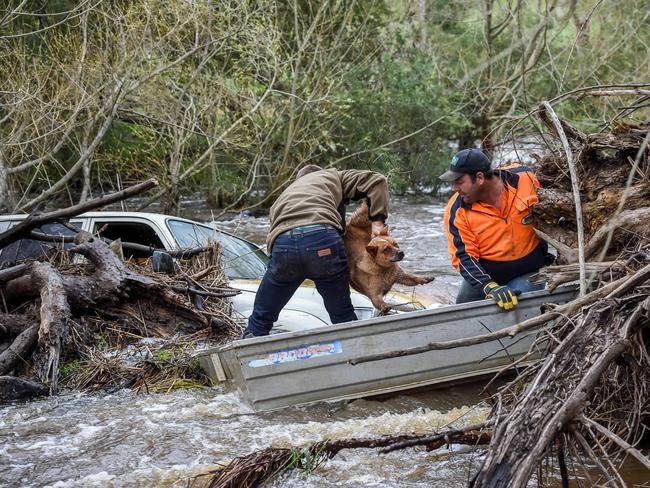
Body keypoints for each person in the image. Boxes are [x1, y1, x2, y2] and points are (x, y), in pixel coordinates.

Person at [242, 165, 389, 337]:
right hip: (322, 241)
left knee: (261, 318)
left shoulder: (286, 194)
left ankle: (249, 349)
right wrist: (378, 222)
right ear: (320, 173)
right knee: (342, 316)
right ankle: (356, 351)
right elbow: (377, 180)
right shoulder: (333, 177)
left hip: (284, 246)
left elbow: (275, 233)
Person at [440, 148, 553, 310]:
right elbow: (463, 257)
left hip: (529, 271)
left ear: (479, 177)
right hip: (484, 277)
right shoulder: (456, 210)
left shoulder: (526, 180)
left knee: (517, 310)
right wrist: (489, 286)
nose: (454, 188)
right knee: (462, 318)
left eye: (458, 182)